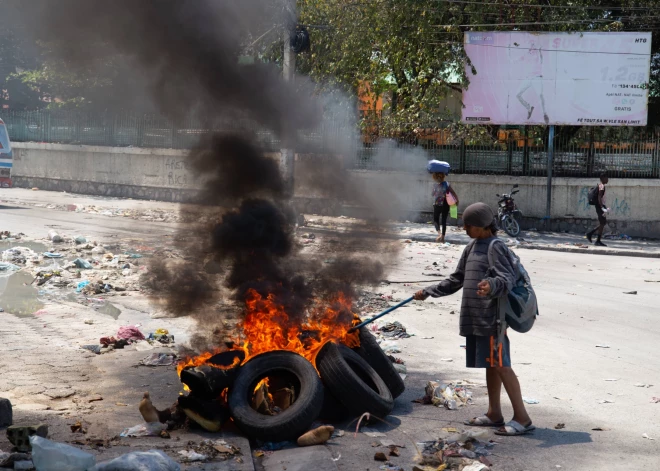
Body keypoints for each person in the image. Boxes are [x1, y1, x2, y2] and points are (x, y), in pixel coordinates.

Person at [414, 202, 535, 436]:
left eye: (469, 225)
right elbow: (457, 278)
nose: (465, 228)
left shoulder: (495, 246)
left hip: (493, 319)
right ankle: (494, 413)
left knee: (501, 364)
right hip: (477, 317)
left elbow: (506, 279)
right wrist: (429, 291)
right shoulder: (472, 247)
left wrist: (491, 285)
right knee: (491, 364)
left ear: (482, 226)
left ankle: (523, 418)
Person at [431, 171, 459, 243]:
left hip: (437, 204)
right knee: (444, 221)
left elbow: (432, 194)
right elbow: (453, 192)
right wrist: (457, 200)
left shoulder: (435, 185)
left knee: (436, 220)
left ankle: (439, 234)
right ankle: (443, 238)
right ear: (443, 176)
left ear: (434, 177)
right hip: (445, 204)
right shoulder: (446, 184)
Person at [586, 173, 609, 247]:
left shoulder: (600, 185)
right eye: (606, 178)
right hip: (600, 206)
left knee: (603, 222)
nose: (607, 179)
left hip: (600, 206)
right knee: (602, 222)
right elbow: (599, 197)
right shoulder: (601, 186)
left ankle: (592, 235)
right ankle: (595, 238)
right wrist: (602, 207)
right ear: (602, 178)